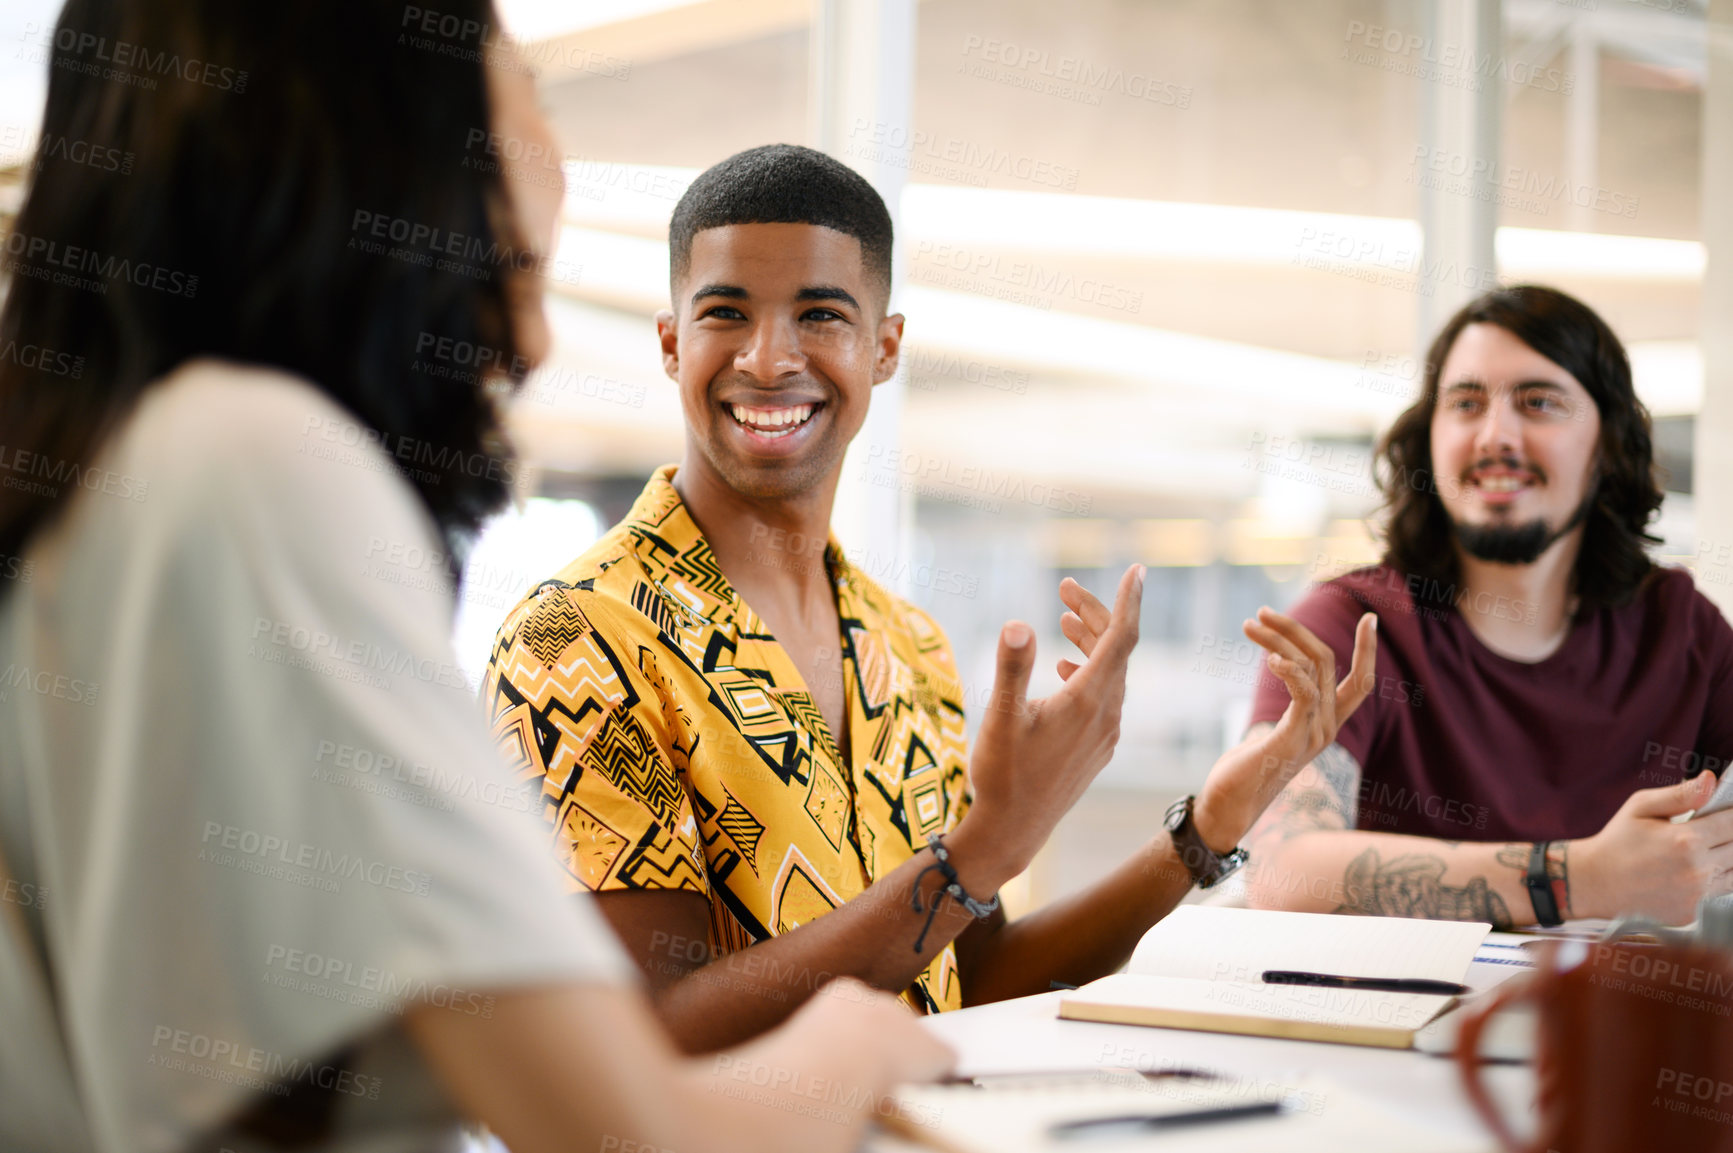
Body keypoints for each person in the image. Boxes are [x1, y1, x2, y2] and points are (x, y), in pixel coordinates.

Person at [0, 5, 952, 1152]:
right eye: (527, 92)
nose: (549, 150)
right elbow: (622, 1123)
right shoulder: (257, 471)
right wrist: (869, 1043)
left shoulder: (129, 472)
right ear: (391, 132)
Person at [483, 143, 1377, 1052]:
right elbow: (648, 1039)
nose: (767, 357)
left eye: (820, 315)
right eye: (725, 314)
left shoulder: (903, 646)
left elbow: (967, 977)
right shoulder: (575, 637)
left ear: (885, 349)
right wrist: (979, 852)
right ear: (672, 344)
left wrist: (1205, 828)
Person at [1244, 285, 1733, 928]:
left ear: (1606, 446)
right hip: (1391, 1027)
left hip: (1612, 1022)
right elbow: (1281, 868)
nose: (1496, 434)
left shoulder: (1682, 629)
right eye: (1467, 404)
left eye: (1538, 402)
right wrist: (1576, 878)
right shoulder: (1349, 624)